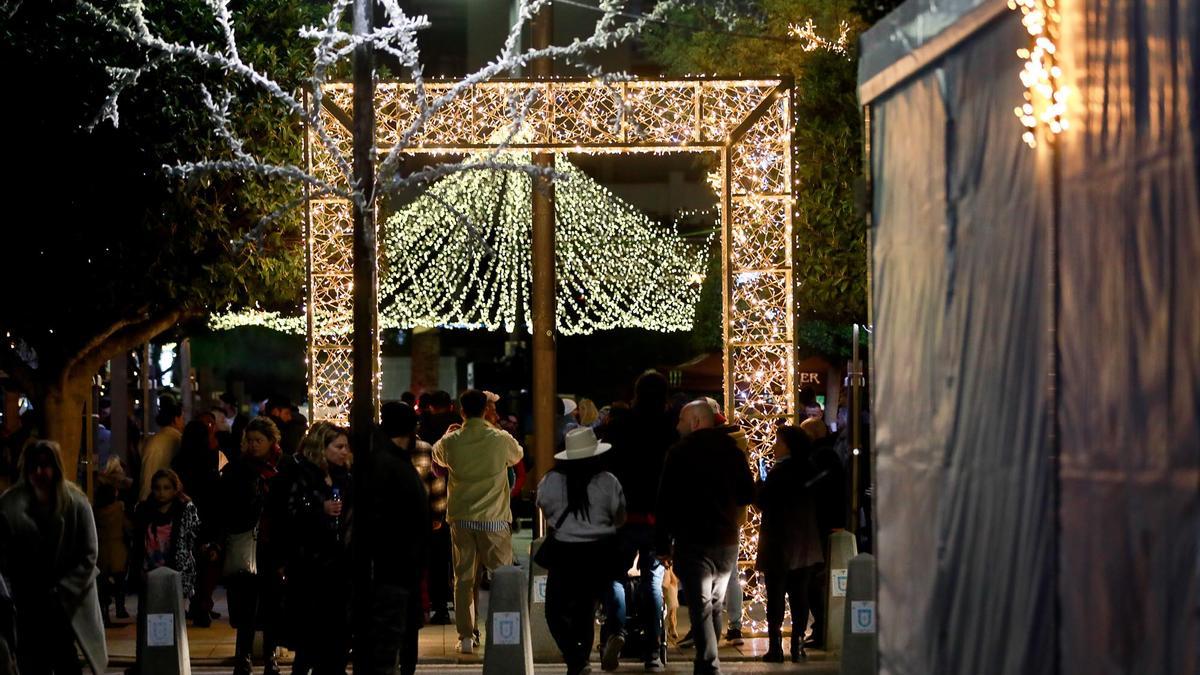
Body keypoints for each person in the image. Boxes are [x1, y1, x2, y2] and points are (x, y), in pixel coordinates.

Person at [656, 401, 754, 675]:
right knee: (713, 603)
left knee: (700, 605)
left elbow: (665, 501)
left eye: (682, 420)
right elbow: (748, 493)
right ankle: (706, 662)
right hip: (726, 540)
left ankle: (709, 664)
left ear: (696, 422)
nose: (677, 426)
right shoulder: (733, 452)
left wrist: (662, 543)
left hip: (693, 539)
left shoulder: (679, 453)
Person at [0, 440, 107, 674]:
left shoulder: (76, 504)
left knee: (65, 658)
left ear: (56, 468)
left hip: (65, 601)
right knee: (31, 660)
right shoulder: (10, 506)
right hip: (27, 600)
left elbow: (89, 554)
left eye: (45, 466)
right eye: (34, 467)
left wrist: (65, 588)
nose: (39, 473)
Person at [431, 389, 524, 655]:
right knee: (501, 577)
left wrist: (449, 433)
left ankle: (465, 636)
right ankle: (502, 630)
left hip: (461, 518)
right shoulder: (499, 438)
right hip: (493, 518)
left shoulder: (452, 441)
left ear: (461, 411)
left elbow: (438, 457)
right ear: (485, 411)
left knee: (463, 578)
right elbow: (516, 455)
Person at [601, 372, 677, 671]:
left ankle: (617, 630)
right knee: (653, 583)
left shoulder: (621, 425)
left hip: (622, 514)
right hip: (657, 515)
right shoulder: (669, 426)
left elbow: (606, 463)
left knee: (615, 577)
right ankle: (654, 651)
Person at [537, 428, 626, 675]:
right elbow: (619, 516)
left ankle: (575, 659)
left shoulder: (552, 480)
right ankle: (583, 658)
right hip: (599, 551)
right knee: (585, 610)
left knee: (554, 612)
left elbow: (545, 508)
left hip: (565, 554)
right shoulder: (608, 480)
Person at [354, 425, 430, 675]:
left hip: (390, 565)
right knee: (393, 635)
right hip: (397, 566)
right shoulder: (396, 465)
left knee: (388, 638)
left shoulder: (379, 462)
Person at [278, 422, 354, 674]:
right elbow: (288, 512)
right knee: (311, 633)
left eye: (346, 447)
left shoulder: (345, 476)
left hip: (338, 562)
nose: (344, 452)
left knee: (335, 632)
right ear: (322, 448)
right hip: (309, 563)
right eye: (339, 447)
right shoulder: (302, 472)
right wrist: (317, 507)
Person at [220, 417, 284, 675]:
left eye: (259, 440)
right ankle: (243, 656)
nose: (254, 445)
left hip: (272, 544)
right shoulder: (238, 469)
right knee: (246, 604)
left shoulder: (282, 467)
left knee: (272, 604)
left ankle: (270, 655)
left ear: (271, 442)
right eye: (250, 440)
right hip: (247, 541)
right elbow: (227, 505)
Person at [756, 426, 824, 662]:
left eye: (778, 442)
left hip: (778, 542)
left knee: (775, 596)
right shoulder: (810, 468)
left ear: (788, 445)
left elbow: (763, 501)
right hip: (805, 543)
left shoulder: (779, 472)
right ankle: (798, 644)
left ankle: (775, 647)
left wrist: (759, 483)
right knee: (800, 596)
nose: (774, 446)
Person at [381, 402, 450, 625]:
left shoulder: (378, 452)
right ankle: (435, 608)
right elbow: (437, 484)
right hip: (422, 522)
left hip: (389, 527)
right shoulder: (425, 448)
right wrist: (438, 515)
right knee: (432, 566)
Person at [131, 468, 200, 653]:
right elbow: (137, 541)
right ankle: (147, 659)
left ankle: (172, 658)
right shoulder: (144, 509)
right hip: (149, 572)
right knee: (148, 619)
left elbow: (190, 540)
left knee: (174, 620)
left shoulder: (185, 508)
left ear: (175, 488)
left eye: (166, 488)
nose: (161, 492)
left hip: (176, 572)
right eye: (157, 488)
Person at [173, 419, 223, 626]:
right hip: (208, 514)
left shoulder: (179, 460)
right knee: (207, 563)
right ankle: (203, 604)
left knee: (191, 560)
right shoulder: (212, 459)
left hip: (186, 515)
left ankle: (195, 603)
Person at [94, 457, 131, 625]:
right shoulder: (119, 508)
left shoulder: (96, 512)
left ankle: (104, 613)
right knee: (120, 583)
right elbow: (127, 527)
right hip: (118, 549)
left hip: (102, 550)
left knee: (102, 585)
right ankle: (121, 609)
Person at [139, 399, 184, 502]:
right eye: (182, 418)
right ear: (176, 419)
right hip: (165, 497)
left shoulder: (152, 440)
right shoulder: (178, 439)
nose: (183, 422)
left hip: (147, 495)